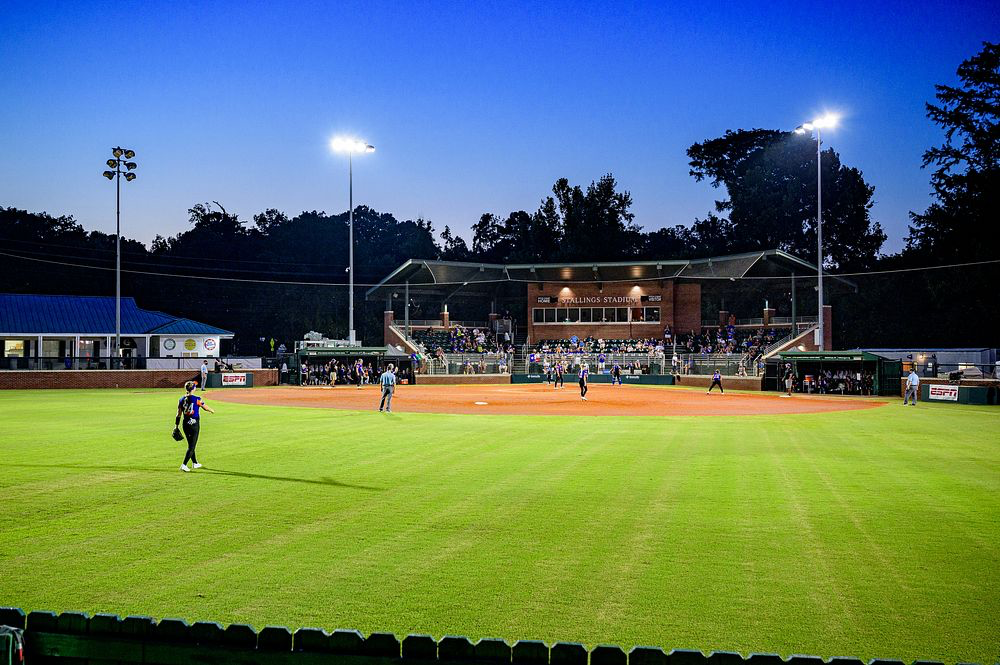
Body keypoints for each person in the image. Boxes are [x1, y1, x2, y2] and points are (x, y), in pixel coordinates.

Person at [176, 380, 214, 472]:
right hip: (194, 424)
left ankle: (195, 463)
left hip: (185, 424)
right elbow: (205, 408)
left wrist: (176, 426)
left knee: (190, 445)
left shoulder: (181, 399)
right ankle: (184, 465)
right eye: (195, 386)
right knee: (192, 446)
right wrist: (212, 410)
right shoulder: (197, 399)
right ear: (193, 389)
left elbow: (178, 414)